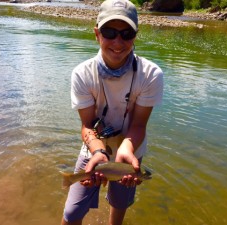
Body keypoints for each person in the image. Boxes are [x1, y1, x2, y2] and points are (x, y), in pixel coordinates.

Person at [61, 0, 163, 224]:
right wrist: (98, 152)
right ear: (97, 34)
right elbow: (88, 125)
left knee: (119, 205)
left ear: (135, 35)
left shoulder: (151, 74)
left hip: (130, 152)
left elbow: (138, 126)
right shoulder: (82, 74)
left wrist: (126, 149)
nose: (118, 42)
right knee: (71, 214)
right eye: (109, 32)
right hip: (94, 149)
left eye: (126, 33)